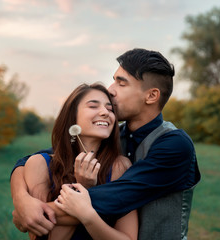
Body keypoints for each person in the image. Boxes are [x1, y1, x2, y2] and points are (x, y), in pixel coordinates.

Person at [11, 48, 201, 239]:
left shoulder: (174, 145)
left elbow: (111, 199)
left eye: (122, 83)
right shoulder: (112, 136)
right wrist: (21, 199)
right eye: (114, 80)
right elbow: (41, 157)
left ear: (151, 96)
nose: (110, 90)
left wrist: (34, 213)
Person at [19, 83, 138, 239]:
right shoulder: (39, 164)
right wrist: (82, 187)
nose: (104, 112)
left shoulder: (120, 167)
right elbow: (39, 235)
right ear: (72, 116)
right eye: (93, 106)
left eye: (110, 109)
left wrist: (86, 213)